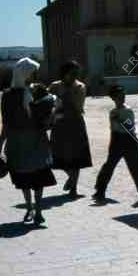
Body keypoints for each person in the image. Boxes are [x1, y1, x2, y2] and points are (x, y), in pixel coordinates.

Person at [0, 58, 56, 225]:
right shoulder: (11, 96)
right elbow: (6, 123)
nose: (34, 77)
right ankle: (32, 208)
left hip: (30, 141)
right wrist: (0, 145)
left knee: (35, 177)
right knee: (28, 178)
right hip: (24, 142)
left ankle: (36, 209)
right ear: (24, 74)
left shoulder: (34, 91)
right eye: (32, 73)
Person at [93, 85, 138, 203]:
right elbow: (113, 129)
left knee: (136, 167)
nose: (122, 98)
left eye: (123, 95)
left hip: (130, 140)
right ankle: (100, 191)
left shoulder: (127, 110)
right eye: (119, 96)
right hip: (116, 140)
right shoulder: (113, 112)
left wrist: (119, 120)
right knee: (109, 166)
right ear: (113, 98)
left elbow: (130, 127)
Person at [49, 60, 92, 198]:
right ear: (64, 73)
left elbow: (77, 109)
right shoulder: (54, 86)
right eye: (72, 73)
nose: (74, 76)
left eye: (76, 73)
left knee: (77, 158)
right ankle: (72, 179)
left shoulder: (80, 87)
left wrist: (63, 104)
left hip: (75, 124)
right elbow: (49, 104)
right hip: (59, 126)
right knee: (58, 156)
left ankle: (73, 188)